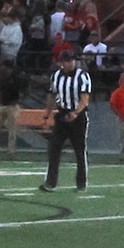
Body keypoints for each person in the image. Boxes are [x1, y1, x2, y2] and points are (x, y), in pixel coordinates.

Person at [40, 49, 92, 192]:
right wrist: (47, 115)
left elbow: (85, 98)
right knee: (54, 149)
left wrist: (76, 113)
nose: (70, 63)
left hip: (78, 116)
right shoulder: (56, 76)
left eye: (71, 60)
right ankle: (51, 182)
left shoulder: (83, 76)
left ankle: (81, 183)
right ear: (61, 62)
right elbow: (51, 96)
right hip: (62, 115)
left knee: (79, 150)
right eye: (67, 61)